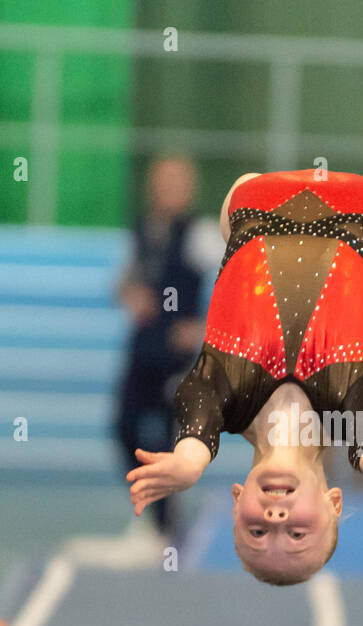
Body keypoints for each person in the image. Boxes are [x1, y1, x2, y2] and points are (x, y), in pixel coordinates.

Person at [126, 169, 363, 585]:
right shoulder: (348, 415)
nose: (276, 516)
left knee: (238, 219)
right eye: (297, 533)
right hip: (362, 211)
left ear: (237, 500)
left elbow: (194, 420)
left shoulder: (224, 400)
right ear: (334, 503)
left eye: (257, 531)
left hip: (254, 202)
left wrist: (189, 463)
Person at [112, 155, 224, 549]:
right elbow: (122, 279)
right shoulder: (142, 230)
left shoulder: (201, 233)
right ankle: (155, 515)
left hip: (178, 358)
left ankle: (167, 529)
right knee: (123, 427)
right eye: (162, 181)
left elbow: (238, 277)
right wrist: (130, 294)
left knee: (168, 439)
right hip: (142, 349)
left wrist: (205, 327)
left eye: (177, 181)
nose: (168, 190)